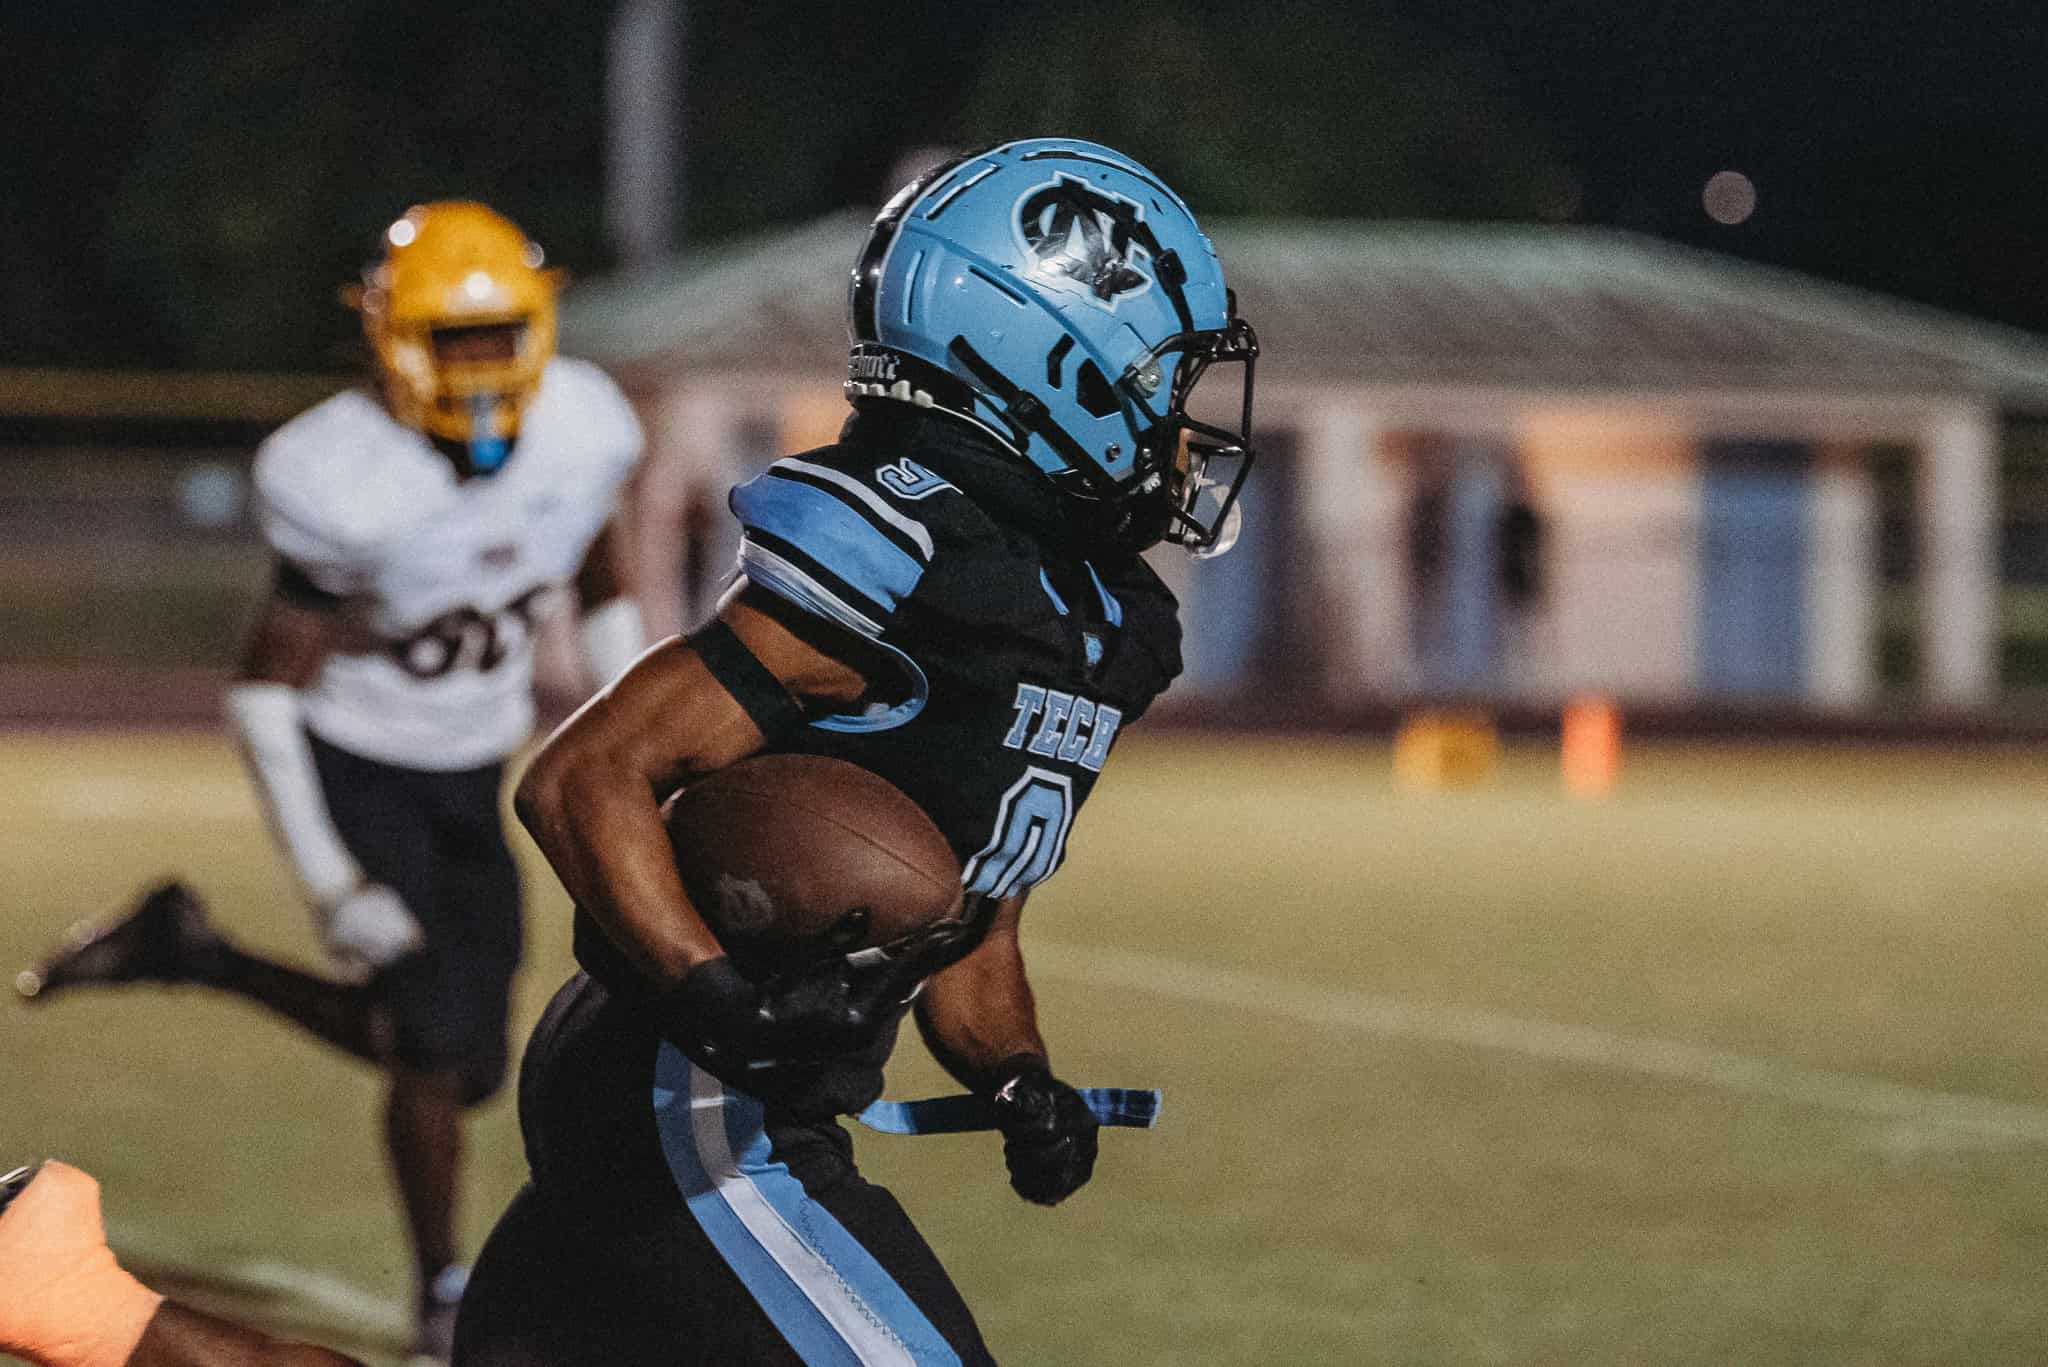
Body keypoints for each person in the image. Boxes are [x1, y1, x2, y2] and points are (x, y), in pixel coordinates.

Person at [458, 138, 1258, 1365]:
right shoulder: (909, 534)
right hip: (687, 1090)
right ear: (1047, 364)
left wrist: (1013, 1075)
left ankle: (94, 1314)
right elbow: (583, 774)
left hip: (760, 1099)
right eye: (1155, 377)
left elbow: (976, 917)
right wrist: (714, 993)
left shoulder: (1104, 620)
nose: (1177, 418)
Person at [16, 201, 646, 1364]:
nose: (476, 364)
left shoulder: (585, 429)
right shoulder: (337, 470)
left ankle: (192, 950)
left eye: (493, 332)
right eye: (450, 338)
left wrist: (637, 724)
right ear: (388, 337)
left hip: (477, 763)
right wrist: (329, 876)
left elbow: (604, 588)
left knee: (466, 1066)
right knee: (427, 1043)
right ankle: (441, 1290)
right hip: (360, 759)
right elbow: (264, 689)